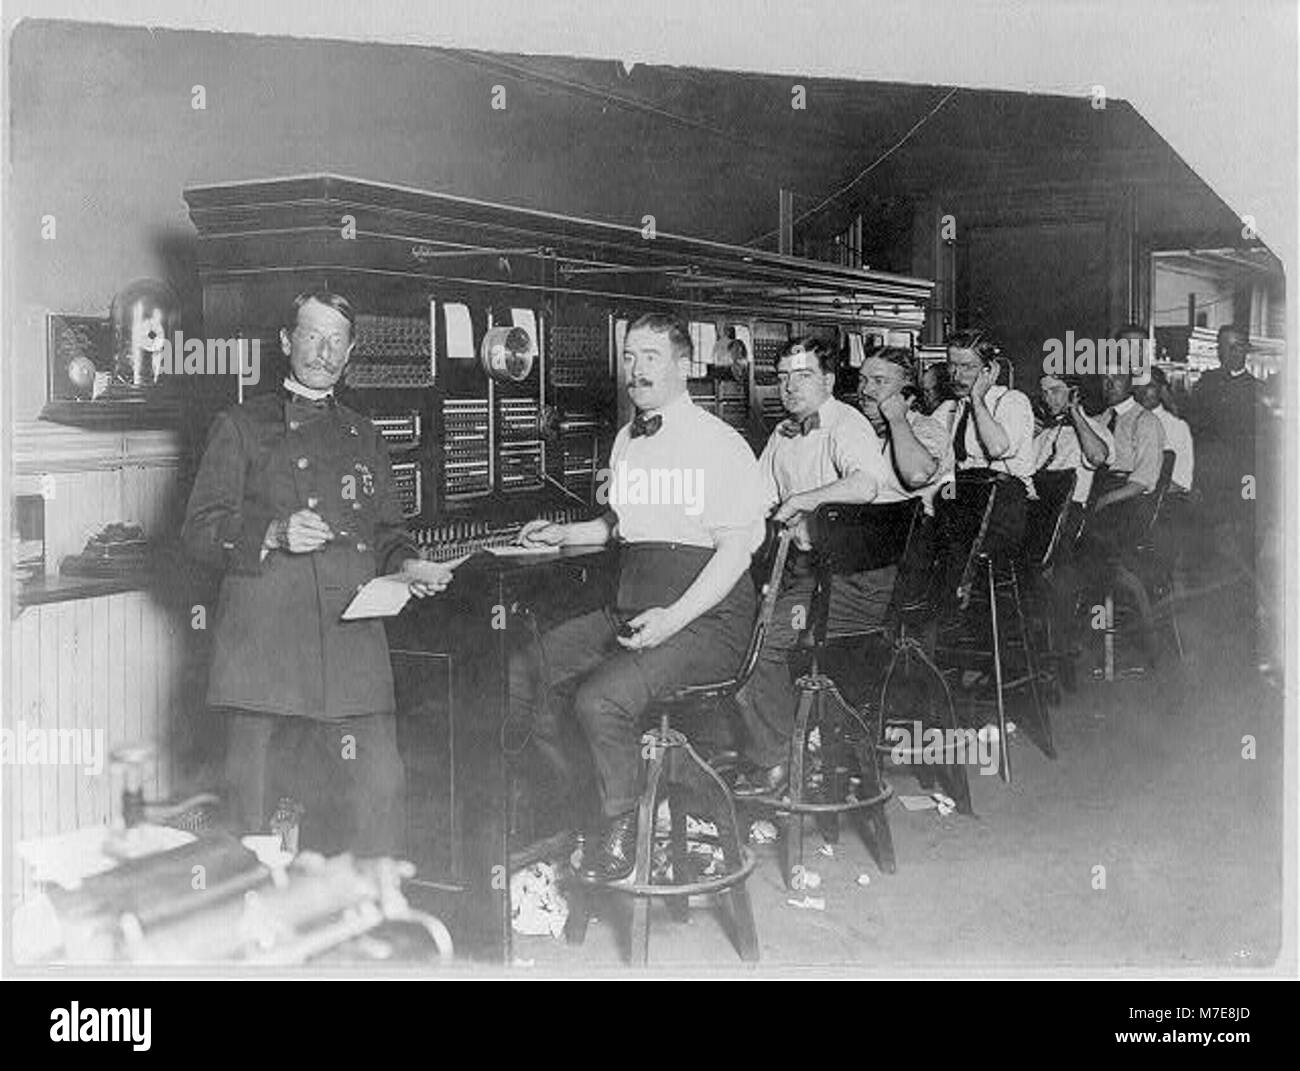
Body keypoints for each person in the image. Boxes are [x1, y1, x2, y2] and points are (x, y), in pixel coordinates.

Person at [182, 291, 452, 856]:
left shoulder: (365, 434)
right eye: (312, 336)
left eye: (337, 341)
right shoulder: (239, 425)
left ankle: (371, 928)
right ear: (286, 342)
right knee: (251, 821)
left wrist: (408, 564)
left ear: (350, 352)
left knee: (381, 792)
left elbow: (388, 533)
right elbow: (199, 532)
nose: (323, 353)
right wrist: (273, 533)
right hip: (267, 654)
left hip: (351, 648)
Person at [508, 312, 767, 881]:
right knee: (528, 670)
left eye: (651, 357)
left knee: (600, 700)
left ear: (683, 365)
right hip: (633, 605)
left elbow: (734, 553)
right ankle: (589, 804)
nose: (636, 370)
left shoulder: (719, 444)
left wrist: (673, 619)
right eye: (629, 356)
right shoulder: (628, 438)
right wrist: (567, 532)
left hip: (706, 617)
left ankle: (625, 830)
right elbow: (620, 525)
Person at [727, 337, 897, 797]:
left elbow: (867, 484)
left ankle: (783, 758)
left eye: (802, 376)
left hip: (847, 582)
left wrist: (804, 499)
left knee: (755, 647)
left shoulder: (848, 424)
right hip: (803, 575)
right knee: (732, 628)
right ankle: (786, 746)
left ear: (828, 380)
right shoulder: (784, 434)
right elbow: (753, 499)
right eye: (781, 378)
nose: (789, 388)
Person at [1032, 372, 1115, 537]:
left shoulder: (1097, 432)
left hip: (1068, 512)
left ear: (1074, 393)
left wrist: (1074, 411)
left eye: (1055, 391)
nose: (1048, 399)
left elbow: (1097, 457)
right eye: (1044, 393)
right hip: (1038, 508)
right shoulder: (1047, 433)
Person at [1135, 366, 1193, 495]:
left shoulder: (1176, 427)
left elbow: (1182, 481)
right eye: (1139, 386)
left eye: (1150, 386)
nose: (1143, 391)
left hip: (1160, 501)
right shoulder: (1129, 421)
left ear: (1161, 390)